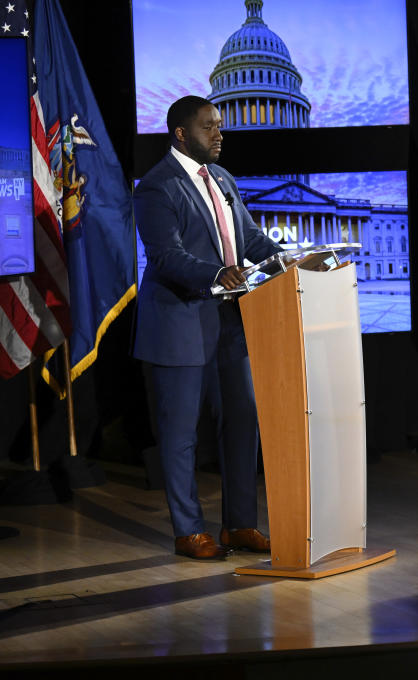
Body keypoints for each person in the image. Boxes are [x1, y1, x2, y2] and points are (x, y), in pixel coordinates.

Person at [133, 96, 283, 559]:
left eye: (220, 126)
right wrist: (216, 274)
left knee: (243, 422)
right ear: (181, 134)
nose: (219, 134)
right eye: (208, 127)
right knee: (180, 434)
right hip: (180, 321)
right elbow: (166, 256)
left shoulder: (223, 179)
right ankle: (188, 530)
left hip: (231, 322)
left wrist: (286, 261)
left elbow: (248, 239)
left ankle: (239, 526)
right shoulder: (156, 187)